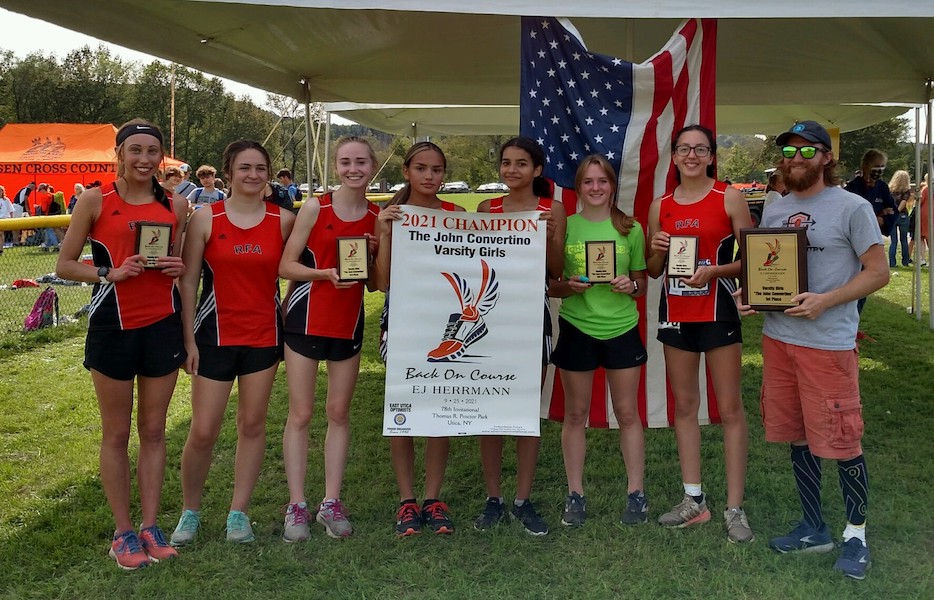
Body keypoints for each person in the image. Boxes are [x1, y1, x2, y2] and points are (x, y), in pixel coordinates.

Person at [736, 120, 889, 580]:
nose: (795, 160)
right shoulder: (777, 209)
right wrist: (754, 297)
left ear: (827, 158)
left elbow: (878, 272)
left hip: (828, 345)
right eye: (788, 151)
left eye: (807, 152)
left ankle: (856, 534)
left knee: (842, 441)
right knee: (797, 436)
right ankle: (813, 526)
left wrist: (826, 299)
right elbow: (771, 269)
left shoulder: (852, 207)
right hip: (779, 342)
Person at [54, 119, 188, 570]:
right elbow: (65, 264)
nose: (145, 159)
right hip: (112, 325)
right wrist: (110, 273)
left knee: (153, 431)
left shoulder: (177, 204)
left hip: (162, 326)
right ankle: (123, 533)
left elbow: (182, 264)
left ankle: (150, 526)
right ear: (119, 153)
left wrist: (175, 266)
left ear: (161, 156)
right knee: (116, 432)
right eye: (136, 150)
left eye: (153, 151)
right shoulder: (95, 199)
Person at [171, 140, 295, 547]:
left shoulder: (283, 220)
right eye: (245, 168)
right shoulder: (206, 218)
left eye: (261, 168)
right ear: (229, 172)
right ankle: (190, 511)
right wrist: (188, 339)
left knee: (252, 425)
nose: (254, 175)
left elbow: (300, 268)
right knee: (203, 431)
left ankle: (238, 513)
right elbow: (187, 282)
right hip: (213, 337)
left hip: (263, 338)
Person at [646, 124, 754, 544]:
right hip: (675, 313)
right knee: (685, 406)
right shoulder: (661, 204)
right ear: (673, 156)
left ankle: (734, 507)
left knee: (729, 409)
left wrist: (714, 270)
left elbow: (752, 259)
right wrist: (656, 248)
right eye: (684, 149)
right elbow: (654, 270)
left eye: (700, 149)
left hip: (718, 311)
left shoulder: (728, 196)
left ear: (711, 155)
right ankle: (694, 499)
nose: (692, 155)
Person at [279, 137, 381, 541]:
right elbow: (286, 265)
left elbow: (374, 284)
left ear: (372, 166)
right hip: (305, 319)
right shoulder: (314, 207)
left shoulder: (377, 215)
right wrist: (322, 275)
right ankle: (297, 504)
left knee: (339, 413)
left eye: (360, 162)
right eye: (345, 162)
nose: (353, 168)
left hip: (348, 323)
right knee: (301, 414)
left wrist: (377, 254)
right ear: (335, 166)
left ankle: (331, 502)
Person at [471, 137, 566, 536]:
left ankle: (523, 499)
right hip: (491, 318)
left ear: (537, 170)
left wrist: (549, 236)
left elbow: (557, 270)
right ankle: (494, 498)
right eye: (506, 163)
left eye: (521, 163)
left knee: (526, 411)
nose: (512, 170)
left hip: (531, 316)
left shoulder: (552, 209)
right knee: (489, 411)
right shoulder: (485, 209)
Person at [548, 154, 648, 528]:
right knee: (575, 415)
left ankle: (636, 493)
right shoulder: (566, 227)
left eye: (602, 181)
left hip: (622, 327)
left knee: (627, 414)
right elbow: (553, 282)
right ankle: (575, 494)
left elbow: (641, 283)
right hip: (578, 327)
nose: (595, 188)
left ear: (612, 186)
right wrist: (568, 287)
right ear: (579, 186)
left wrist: (630, 284)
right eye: (588, 181)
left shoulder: (630, 228)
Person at [375, 142, 465, 536]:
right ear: (407, 170)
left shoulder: (459, 216)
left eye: (438, 170)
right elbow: (380, 282)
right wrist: (383, 230)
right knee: (403, 412)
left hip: (443, 326)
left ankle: (433, 497)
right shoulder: (392, 216)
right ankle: (407, 500)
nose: (430, 177)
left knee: (440, 411)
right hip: (404, 323)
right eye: (422, 168)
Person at [887, 170, 912, 267]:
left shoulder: (890, 190)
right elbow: (904, 202)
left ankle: (892, 262)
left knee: (893, 241)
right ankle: (905, 261)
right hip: (902, 215)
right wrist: (898, 211)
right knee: (904, 240)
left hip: (892, 215)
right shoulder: (906, 191)